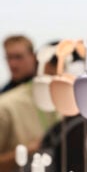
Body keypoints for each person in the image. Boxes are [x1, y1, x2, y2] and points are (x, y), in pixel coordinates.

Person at [0, 38, 58, 172]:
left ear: (34, 57)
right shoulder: (5, 103)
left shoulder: (52, 93)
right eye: (8, 58)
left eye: (18, 57)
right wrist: (27, 150)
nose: (12, 64)